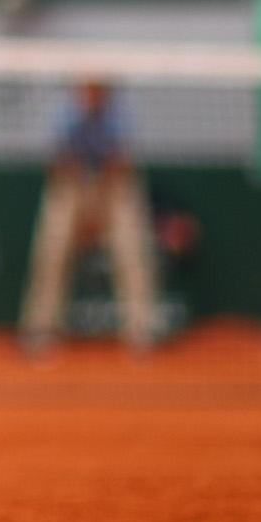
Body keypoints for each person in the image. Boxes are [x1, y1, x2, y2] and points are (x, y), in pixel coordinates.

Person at [19, 82, 161, 353]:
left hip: (114, 184)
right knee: (52, 250)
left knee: (132, 250)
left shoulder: (122, 113)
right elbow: (58, 161)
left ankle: (141, 328)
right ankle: (41, 328)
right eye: (86, 89)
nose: (92, 95)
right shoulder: (63, 113)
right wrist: (84, 209)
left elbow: (121, 162)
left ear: (107, 92)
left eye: (98, 89)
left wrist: (99, 209)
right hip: (71, 181)